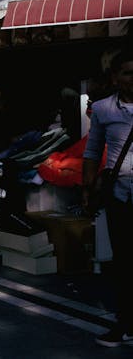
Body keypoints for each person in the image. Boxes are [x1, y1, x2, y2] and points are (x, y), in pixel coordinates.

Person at [83, 49, 133, 348]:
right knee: (124, 261)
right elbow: (92, 152)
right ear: (115, 77)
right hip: (119, 194)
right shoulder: (103, 109)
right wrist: (87, 189)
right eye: (127, 72)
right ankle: (125, 322)